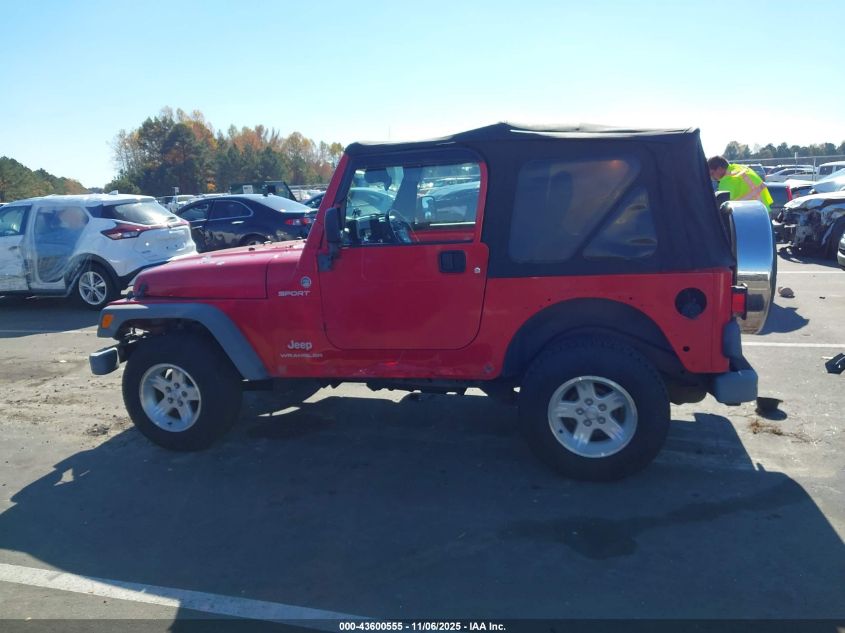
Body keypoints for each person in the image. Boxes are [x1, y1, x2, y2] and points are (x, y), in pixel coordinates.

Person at [708, 155, 774, 211]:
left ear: (719, 169)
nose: (711, 177)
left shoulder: (727, 180)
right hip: (764, 210)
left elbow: (722, 206)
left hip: (751, 215)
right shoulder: (740, 168)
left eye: (712, 173)